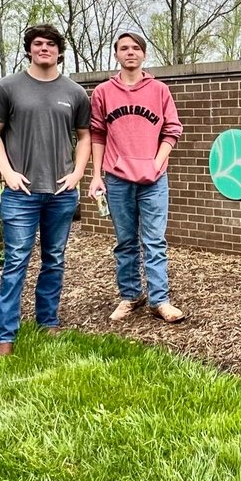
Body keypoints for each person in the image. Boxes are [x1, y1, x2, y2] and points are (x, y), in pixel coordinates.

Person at [0, 24, 91, 356]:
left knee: (54, 260)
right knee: (16, 261)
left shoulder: (75, 92)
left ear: (60, 51)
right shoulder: (8, 87)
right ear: (29, 50)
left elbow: (85, 136)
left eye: (50, 44)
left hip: (61, 193)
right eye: (37, 44)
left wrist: (77, 174)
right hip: (21, 194)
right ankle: (5, 335)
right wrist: (7, 171)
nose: (44, 48)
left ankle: (48, 321)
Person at [87, 30, 185, 324]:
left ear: (144, 54)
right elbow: (97, 134)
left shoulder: (159, 91)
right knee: (125, 241)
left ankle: (160, 300)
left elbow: (172, 130)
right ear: (116, 54)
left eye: (136, 48)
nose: (130, 52)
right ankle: (130, 296)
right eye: (124, 48)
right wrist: (96, 175)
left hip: (154, 179)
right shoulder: (103, 93)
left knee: (154, 241)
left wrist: (157, 162)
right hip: (117, 179)